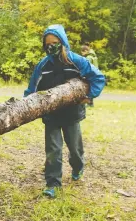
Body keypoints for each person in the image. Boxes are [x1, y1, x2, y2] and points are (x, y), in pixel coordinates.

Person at [24, 25, 106, 198]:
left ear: (62, 42)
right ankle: (53, 184)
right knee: (53, 150)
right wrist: (25, 107)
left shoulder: (76, 61)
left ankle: (78, 167)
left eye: (55, 43)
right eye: (47, 44)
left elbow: (98, 77)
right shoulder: (43, 65)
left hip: (72, 114)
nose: (51, 47)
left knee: (75, 149)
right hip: (51, 115)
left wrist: (89, 96)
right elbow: (32, 89)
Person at [81, 42, 100, 107]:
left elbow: (86, 67)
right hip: (95, 74)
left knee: (88, 88)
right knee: (91, 88)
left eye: (82, 52)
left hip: (90, 74)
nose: (82, 54)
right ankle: (91, 103)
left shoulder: (88, 57)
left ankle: (89, 103)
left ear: (86, 51)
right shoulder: (94, 56)